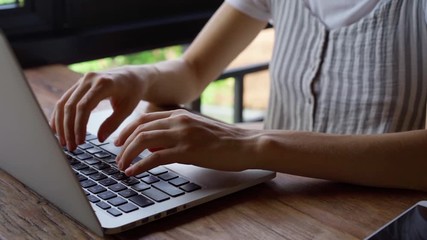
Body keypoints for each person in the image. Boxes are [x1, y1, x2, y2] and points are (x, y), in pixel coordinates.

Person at [50, 0, 427, 191]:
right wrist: (136, 76)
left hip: (379, 216)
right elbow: (193, 71)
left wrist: (251, 143)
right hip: (280, 203)